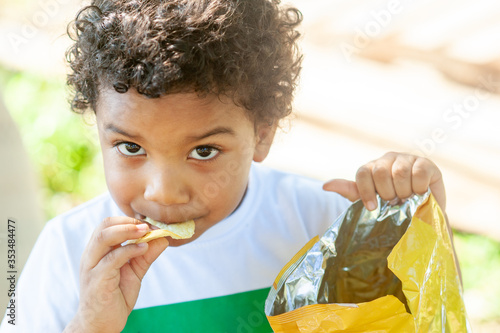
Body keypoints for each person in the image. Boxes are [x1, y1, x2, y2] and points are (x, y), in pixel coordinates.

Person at [0, 0, 448, 332]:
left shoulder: (323, 224)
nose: (162, 193)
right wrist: (91, 323)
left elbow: (429, 316)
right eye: (130, 148)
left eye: (204, 152)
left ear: (264, 132)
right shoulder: (69, 249)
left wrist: (422, 230)